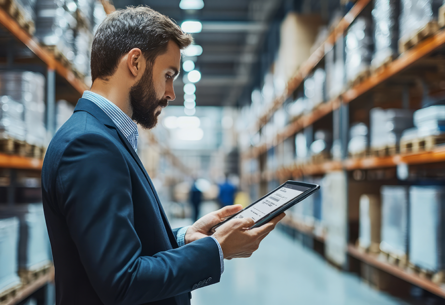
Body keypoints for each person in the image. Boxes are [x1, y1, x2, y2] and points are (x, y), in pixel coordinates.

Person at [41, 6, 284, 305]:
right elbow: (123, 281)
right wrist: (217, 249)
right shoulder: (89, 145)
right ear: (135, 63)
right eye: (168, 75)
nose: (171, 93)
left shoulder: (103, 136)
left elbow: (117, 242)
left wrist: (183, 238)